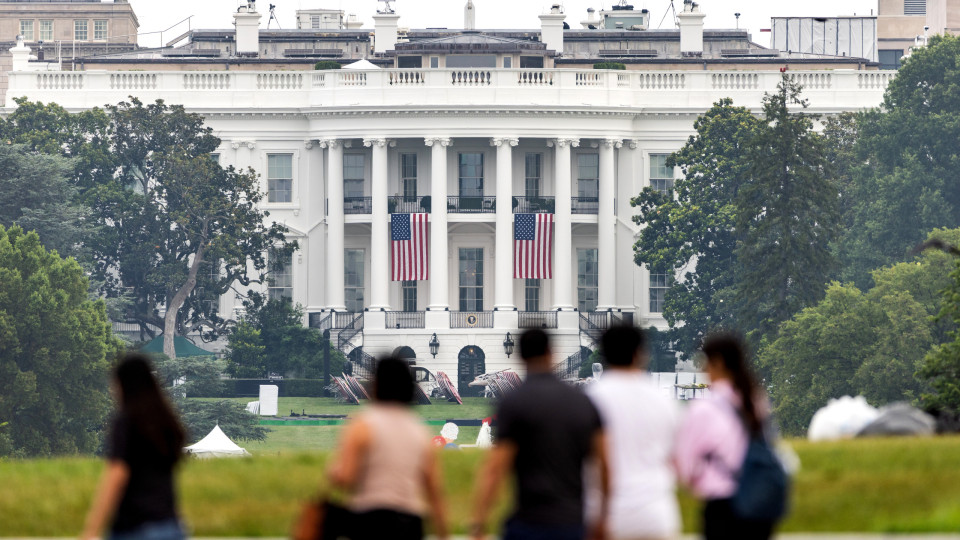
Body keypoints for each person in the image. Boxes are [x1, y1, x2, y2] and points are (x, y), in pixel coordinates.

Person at [471, 329, 609, 540]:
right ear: (550, 352)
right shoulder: (582, 401)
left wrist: (479, 522)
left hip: (528, 521)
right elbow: (603, 464)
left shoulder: (514, 402)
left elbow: (495, 468)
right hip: (572, 521)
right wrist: (603, 519)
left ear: (521, 356)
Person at [327, 356, 448, 540]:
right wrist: (443, 533)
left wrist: (333, 471)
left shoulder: (361, 424)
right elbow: (434, 489)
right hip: (410, 522)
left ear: (375, 386)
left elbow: (345, 477)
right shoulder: (419, 431)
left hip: (369, 519)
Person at [673, 333, 775, 540]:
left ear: (717, 363)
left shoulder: (703, 408)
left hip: (722, 508)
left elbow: (686, 467)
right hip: (759, 503)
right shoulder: (756, 401)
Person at [585, 325, 682, 540]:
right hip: (655, 511)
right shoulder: (663, 400)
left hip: (608, 514)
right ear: (640, 353)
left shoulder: (590, 399)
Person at [81, 354, 187, 540]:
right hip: (170, 525)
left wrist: (91, 530)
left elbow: (117, 473)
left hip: (134, 527)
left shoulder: (126, 421)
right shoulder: (166, 423)